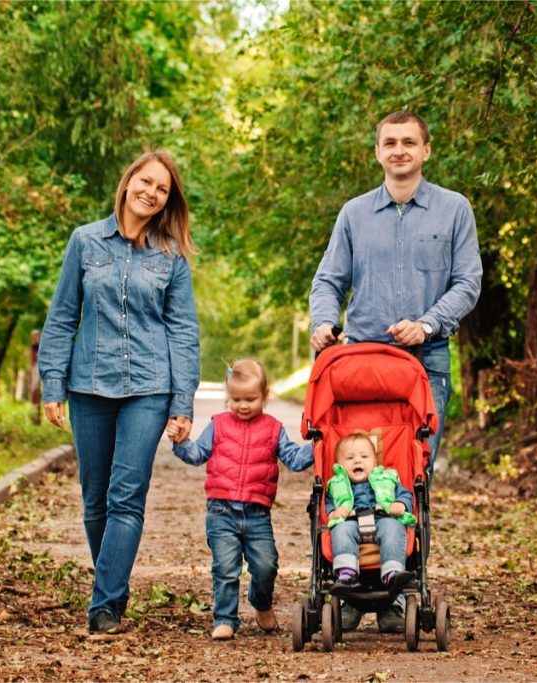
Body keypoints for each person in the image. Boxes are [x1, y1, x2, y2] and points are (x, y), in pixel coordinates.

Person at [308, 111, 482, 632]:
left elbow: (468, 282)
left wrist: (428, 324)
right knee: (352, 473)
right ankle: (355, 588)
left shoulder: (454, 210)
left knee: (412, 478)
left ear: (426, 150)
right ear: (378, 151)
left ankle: (398, 597)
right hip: (362, 365)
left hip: (424, 363)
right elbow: (328, 281)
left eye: (409, 142)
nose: (399, 150)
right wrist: (323, 323)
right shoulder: (355, 214)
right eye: (390, 142)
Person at [38, 150, 200, 635]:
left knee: (126, 496)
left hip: (149, 388)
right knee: (94, 500)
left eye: (162, 189)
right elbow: (63, 316)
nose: (151, 192)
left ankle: (103, 605)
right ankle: (114, 584)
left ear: (168, 200)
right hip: (88, 386)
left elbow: (183, 332)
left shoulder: (171, 257)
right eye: (145, 182)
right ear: (128, 182)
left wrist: (182, 402)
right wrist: (53, 382)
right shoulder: (84, 242)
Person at [169, 359, 314, 640]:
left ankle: (261, 603)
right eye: (236, 399)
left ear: (265, 396)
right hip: (221, 510)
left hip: (258, 514)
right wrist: (181, 442)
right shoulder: (218, 424)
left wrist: (318, 447)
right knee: (225, 567)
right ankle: (225, 618)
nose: (243, 405)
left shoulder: (273, 428)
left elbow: (295, 460)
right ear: (227, 396)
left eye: (251, 399)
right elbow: (197, 454)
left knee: (266, 565)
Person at [325, 432, 415, 591]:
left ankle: (392, 573)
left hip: (383, 517)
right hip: (350, 520)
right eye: (350, 458)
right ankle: (346, 574)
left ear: (374, 462)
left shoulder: (387, 478)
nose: (357, 461)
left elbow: (406, 494)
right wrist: (333, 513)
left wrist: (400, 503)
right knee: (340, 530)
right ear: (339, 465)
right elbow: (328, 503)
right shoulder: (336, 484)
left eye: (364, 456)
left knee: (394, 528)